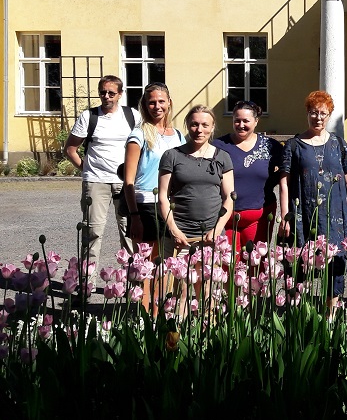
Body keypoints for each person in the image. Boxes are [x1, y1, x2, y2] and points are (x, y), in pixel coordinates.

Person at [279, 91, 347, 310]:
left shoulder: (338, 143)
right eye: (313, 112)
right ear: (307, 113)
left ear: (329, 115)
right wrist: (285, 217)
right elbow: (284, 183)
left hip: (335, 215)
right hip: (303, 213)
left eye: (323, 113)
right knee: (300, 261)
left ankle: (331, 313)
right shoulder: (293, 145)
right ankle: (297, 311)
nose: (318, 118)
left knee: (336, 262)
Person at [64, 75, 141, 272]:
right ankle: (87, 284)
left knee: (130, 233)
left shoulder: (132, 116)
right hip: (96, 182)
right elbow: (70, 149)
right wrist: (86, 169)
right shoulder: (89, 117)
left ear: (120, 94)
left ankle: (132, 281)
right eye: (103, 93)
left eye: (111, 93)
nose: (106, 96)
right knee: (92, 233)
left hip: (126, 183)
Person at [122, 82, 184, 313]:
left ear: (169, 103)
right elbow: (129, 181)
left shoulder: (178, 135)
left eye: (161, 101)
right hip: (145, 204)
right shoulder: (138, 135)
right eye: (151, 102)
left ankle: (160, 313)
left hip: (171, 205)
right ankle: (145, 315)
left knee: (165, 264)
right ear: (144, 105)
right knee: (146, 265)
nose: (157, 106)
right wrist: (134, 215)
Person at [158, 105, 234, 252]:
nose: (199, 130)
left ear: (212, 127)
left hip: (212, 237)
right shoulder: (171, 156)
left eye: (205, 125)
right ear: (187, 125)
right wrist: (173, 230)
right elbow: (163, 196)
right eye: (194, 124)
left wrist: (218, 229)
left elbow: (229, 198)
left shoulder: (223, 157)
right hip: (180, 238)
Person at [213, 101, 282, 251]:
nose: (241, 125)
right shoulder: (218, 146)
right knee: (228, 261)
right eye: (237, 120)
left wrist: (270, 183)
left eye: (246, 121)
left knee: (256, 261)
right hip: (226, 218)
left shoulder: (270, 146)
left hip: (259, 216)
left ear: (256, 121)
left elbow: (284, 173)